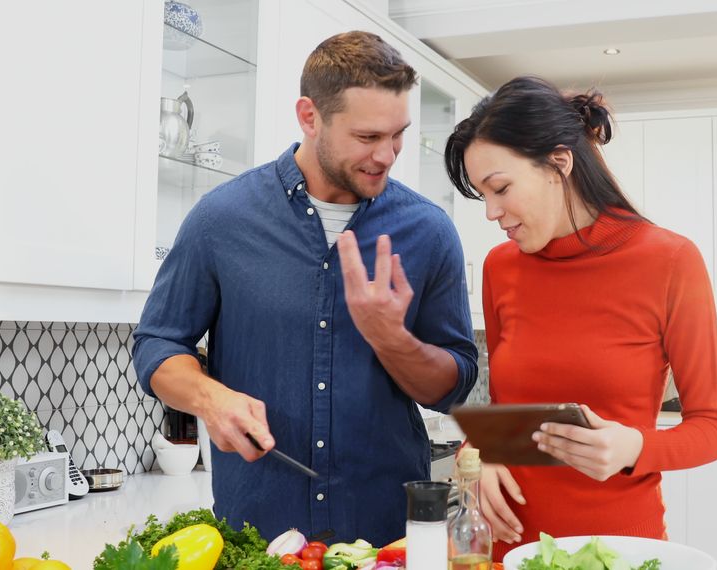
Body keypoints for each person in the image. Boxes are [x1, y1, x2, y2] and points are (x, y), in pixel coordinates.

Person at [132, 31, 478, 546]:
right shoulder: (221, 218)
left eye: (398, 135)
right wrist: (209, 398)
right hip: (257, 532)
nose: (387, 155)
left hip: (387, 538)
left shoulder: (429, 231)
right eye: (367, 137)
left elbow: (453, 387)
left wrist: (393, 339)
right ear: (310, 116)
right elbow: (157, 343)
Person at [443, 76, 717, 559]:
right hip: (510, 547)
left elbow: (711, 429)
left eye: (501, 188)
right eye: (482, 195)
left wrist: (635, 448)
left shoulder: (671, 261)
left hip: (617, 549)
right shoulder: (500, 267)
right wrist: (475, 454)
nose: (491, 212)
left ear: (559, 163)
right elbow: (504, 414)